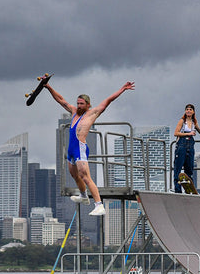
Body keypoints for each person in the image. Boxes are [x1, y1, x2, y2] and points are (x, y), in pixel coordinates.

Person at [44, 79, 135, 216]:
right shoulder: (74, 112)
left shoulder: (92, 113)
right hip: (71, 150)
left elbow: (108, 100)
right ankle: (84, 196)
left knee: (85, 176)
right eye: (78, 103)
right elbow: (60, 100)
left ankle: (99, 205)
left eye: (82, 104)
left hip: (80, 148)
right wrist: (48, 87)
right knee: (74, 175)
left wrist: (122, 89)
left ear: (88, 105)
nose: (79, 106)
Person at [172, 104, 200, 193]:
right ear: (185, 111)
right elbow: (176, 133)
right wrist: (188, 134)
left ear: (193, 112)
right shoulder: (182, 121)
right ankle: (177, 190)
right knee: (178, 168)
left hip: (190, 146)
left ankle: (190, 189)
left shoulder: (194, 122)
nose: (188, 111)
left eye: (190, 109)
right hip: (181, 146)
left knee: (189, 168)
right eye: (187, 109)